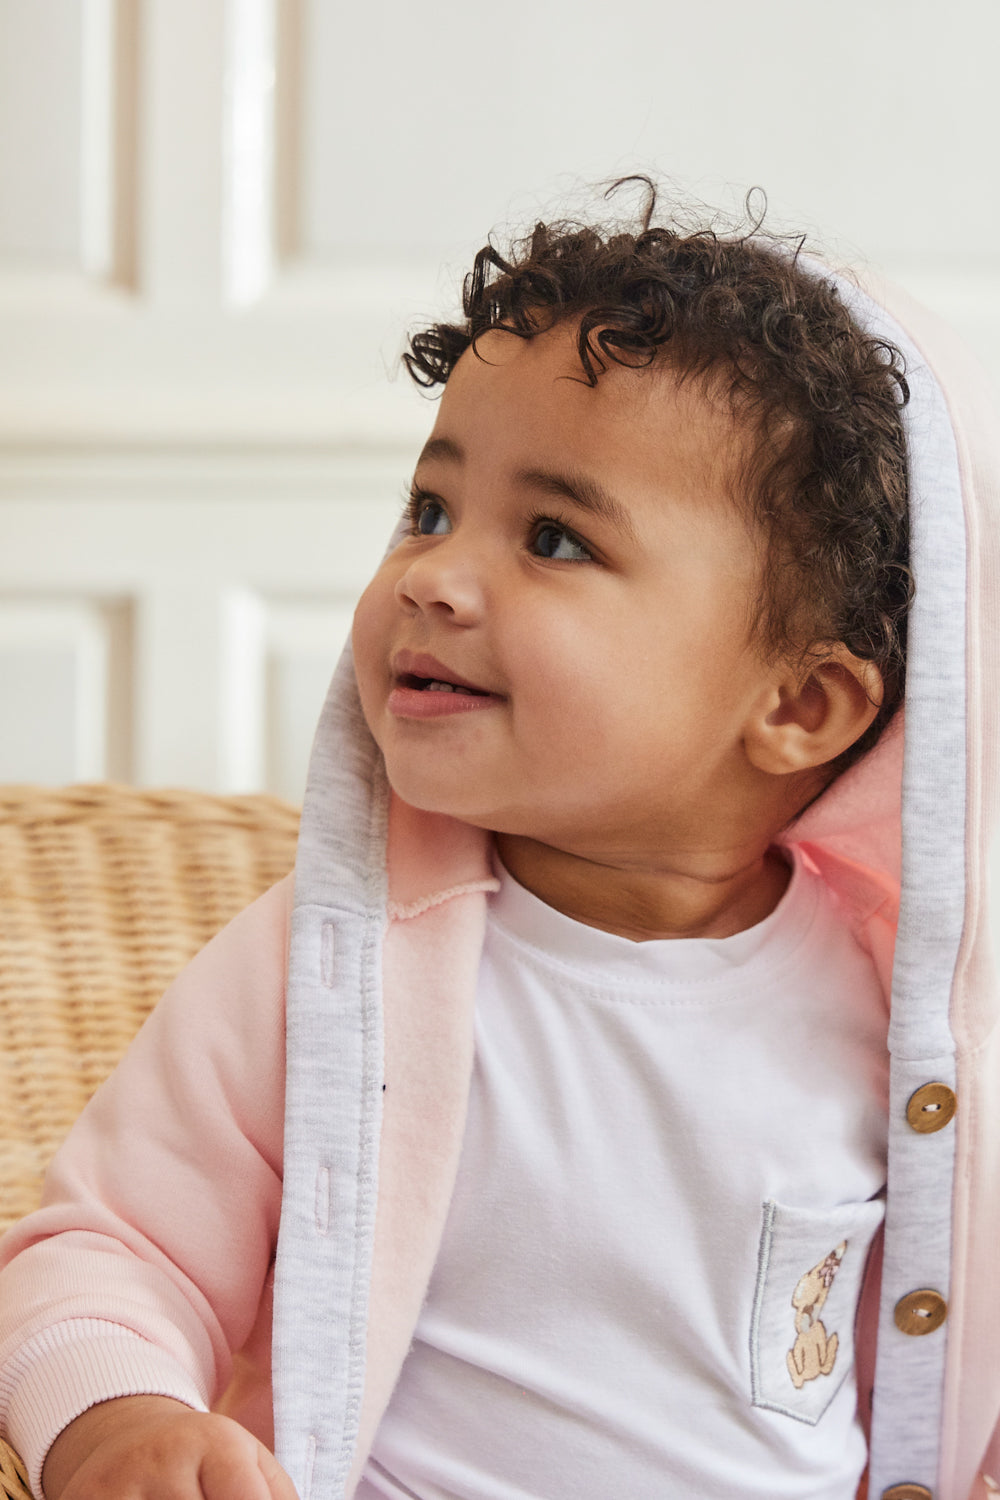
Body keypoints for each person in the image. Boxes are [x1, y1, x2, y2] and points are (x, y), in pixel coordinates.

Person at [1, 180, 998, 1500]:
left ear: (798, 706)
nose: (431, 575)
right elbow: (109, 1249)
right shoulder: (334, 969)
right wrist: (117, 1421)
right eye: (427, 509)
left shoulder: (911, 1027)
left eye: (551, 536)